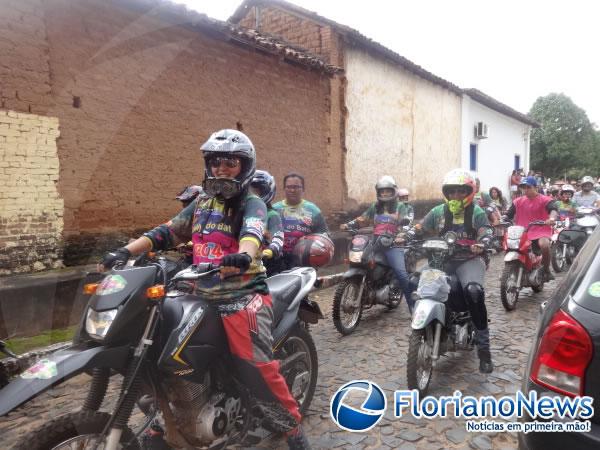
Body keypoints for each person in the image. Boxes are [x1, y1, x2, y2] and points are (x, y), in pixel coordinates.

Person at [98, 129, 311, 449]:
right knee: (155, 342)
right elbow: (168, 232)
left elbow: (253, 233)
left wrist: (244, 255)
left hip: (240, 295)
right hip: (196, 289)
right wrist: (126, 251)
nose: (222, 169)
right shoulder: (201, 202)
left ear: (245, 166)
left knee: (255, 367)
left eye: (230, 163)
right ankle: (172, 410)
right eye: (216, 162)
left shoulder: (252, 203)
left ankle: (291, 428)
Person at [413, 169, 494, 373]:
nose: (455, 196)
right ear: (446, 193)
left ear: (469, 192)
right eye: (451, 192)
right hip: (443, 258)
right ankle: (429, 325)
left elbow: (486, 231)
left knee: (474, 291)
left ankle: (484, 351)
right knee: (417, 280)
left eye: (460, 192)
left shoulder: (476, 212)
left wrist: (483, 242)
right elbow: (420, 228)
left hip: (470, 259)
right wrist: (406, 233)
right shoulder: (438, 212)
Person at [340, 176, 414, 310]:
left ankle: (413, 307)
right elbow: (363, 219)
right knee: (362, 262)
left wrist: (402, 234)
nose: (385, 194)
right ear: (378, 193)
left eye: (388, 191)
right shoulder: (375, 207)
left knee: (402, 275)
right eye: (382, 191)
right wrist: (349, 224)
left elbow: (407, 222)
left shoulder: (401, 207)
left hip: (393, 244)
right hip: (376, 243)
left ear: (393, 192)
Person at [505, 176, 558, 281]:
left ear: (536, 187)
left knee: (545, 245)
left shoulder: (546, 200)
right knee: (509, 245)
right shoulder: (518, 201)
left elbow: (553, 209)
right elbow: (509, 214)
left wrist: (551, 218)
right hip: (522, 231)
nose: (525, 190)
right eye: (523, 187)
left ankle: (546, 270)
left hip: (541, 230)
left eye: (528, 187)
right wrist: (502, 219)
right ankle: (509, 271)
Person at [273, 173, 329, 271]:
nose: (292, 190)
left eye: (296, 187)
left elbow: (324, 235)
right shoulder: (275, 210)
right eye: (289, 187)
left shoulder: (313, 210)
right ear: (284, 189)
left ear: (303, 189)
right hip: (277, 260)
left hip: (304, 261)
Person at [250, 170, 284, 276]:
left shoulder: (272, 215)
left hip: (268, 262)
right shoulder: (243, 214)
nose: (253, 195)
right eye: (250, 192)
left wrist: (270, 250)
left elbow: (278, 236)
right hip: (246, 262)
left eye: (256, 192)